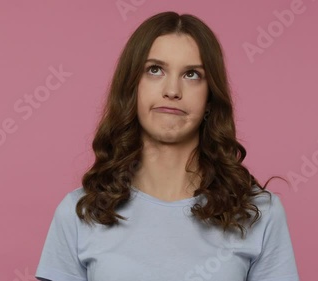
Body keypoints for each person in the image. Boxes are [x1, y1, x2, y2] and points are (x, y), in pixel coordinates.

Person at [35, 11, 300, 281]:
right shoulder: (80, 212)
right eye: (155, 70)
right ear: (131, 88)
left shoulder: (259, 213)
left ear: (210, 97)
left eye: (192, 75)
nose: (172, 90)